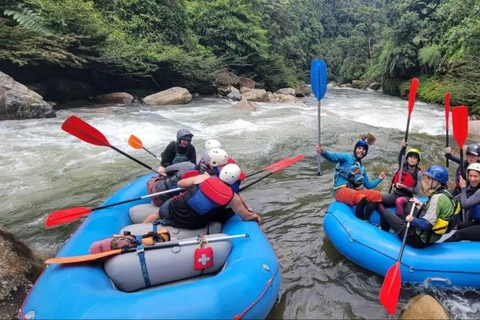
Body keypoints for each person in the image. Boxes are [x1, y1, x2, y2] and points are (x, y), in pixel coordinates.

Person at [143, 164, 261, 229]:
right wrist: (255, 216)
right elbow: (246, 216)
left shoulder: (204, 178)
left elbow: (180, 184)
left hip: (175, 208)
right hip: (193, 223)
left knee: (158, 213)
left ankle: (141, 229)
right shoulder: (234, 198)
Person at [378, 165, 456, 248]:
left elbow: (426, 225)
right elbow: (436, 212)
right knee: (408, 204)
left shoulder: (437, 198)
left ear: (438, 182)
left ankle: (385, 237)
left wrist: (411, 219)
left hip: (416, 239)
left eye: (430, 179)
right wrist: (420, 203)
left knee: (384, 212)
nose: (427, 181)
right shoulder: (446, 195)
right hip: (430, 238)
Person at [316, 137, 386, 220]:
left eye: (363, 149)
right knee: (361, 197)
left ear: (365, 152)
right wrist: (323, 152)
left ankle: (366, 218)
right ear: (355, 149)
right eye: (359, 148)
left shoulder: (362, 168)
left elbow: (368, 185)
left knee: (376, 195)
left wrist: (379, 179)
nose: (361, 151)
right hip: (340, 190)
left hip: (353, 191)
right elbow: (334, 157)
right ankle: (359, 220)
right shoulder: (347, 157)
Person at [382, 141, 423, 216]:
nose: (412, 159)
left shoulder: (419, 173)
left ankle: (399, 220)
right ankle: (382, 214)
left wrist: (405, 187)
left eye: (415, 158)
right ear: (407, 159)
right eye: (410, 157)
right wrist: (403, 147)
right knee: (379, 198)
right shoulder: (402, 166)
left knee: (399, 201)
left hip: (407, 197)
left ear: (417, 161)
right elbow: (401, 157)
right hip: (396, 194)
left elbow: (416, 191)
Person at [444, 163, 480, 242]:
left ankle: (437, 251)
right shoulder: (473, 187)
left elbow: (464, 204)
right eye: (470, 176)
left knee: (459, 234)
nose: (472, 179)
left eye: (475, 176)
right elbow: (459, 197)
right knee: (459, 226)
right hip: (477, 221)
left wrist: (463, 188)